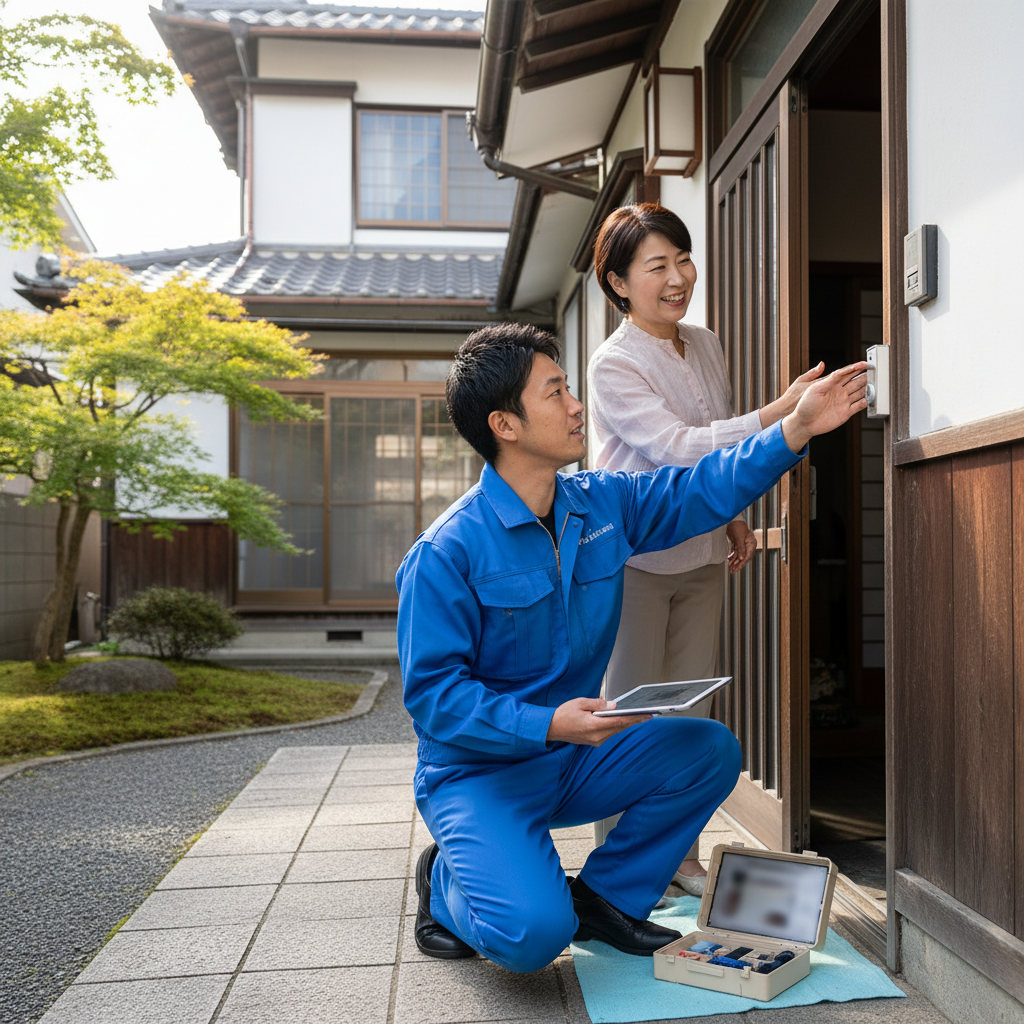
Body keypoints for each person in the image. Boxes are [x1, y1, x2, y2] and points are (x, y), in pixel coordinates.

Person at [397, 322, 866, 974]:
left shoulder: (601, 504)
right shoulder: (446, 552)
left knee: (707, 750)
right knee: (532, 938)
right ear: (504, 425)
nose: (576, 405)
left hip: (571, 756)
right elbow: (434, 700)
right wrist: (547, 722)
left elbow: (698, 490)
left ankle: (608, 898)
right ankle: (445, 884)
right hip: (480, 776)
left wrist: (795, 429)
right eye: (556, 392)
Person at [587, 203, 823, 894]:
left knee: (689, 715)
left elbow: (712, 453)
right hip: (630, 559)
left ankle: (682, 857)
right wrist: (784, 412)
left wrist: (733, 518)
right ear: (618, 282)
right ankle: (622, 870)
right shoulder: (612, 363)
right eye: (656, 266)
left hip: (701, 556)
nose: (678, 277)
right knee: (628, 714)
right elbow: (679, 449)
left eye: (682, 260)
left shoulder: (707, 341)